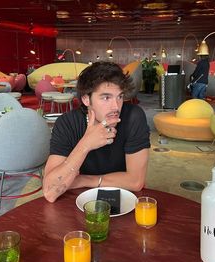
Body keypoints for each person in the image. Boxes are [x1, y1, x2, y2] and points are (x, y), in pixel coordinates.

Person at [43, 61, 150, 203]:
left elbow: (136, 182)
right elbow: (50, 192)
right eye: (106, 97)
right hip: (77, 199)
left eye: (120, 96)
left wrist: (82, 180)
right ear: (86, 99)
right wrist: (86, 144)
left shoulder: (133, 117)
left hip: (123, 197)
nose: (116, 107)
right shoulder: (67, 123)